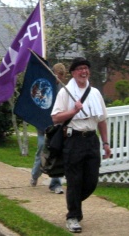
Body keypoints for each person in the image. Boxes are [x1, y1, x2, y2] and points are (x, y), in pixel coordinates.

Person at [51, 57, 111, 233]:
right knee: (75, 181)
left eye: (86, 68)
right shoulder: (65, 92)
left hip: (92, 140)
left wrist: (106, 142)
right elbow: (55, 117)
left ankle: (74, 202)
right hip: (73, 140)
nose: (83, 72)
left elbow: (102, 120)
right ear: (73, 73)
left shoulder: (95, 93)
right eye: (79, 69)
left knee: (91, 181)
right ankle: (73, 216)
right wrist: (74, 110)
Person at [31, 63, 66, 194]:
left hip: (55, 127)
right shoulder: (44, 87)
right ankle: (35, 174)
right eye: (56, 74)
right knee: (41, 148)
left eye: (60, 75)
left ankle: (55, 184)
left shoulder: (63, 91)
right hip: (42, 125)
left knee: (56, 152)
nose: (58, 77)